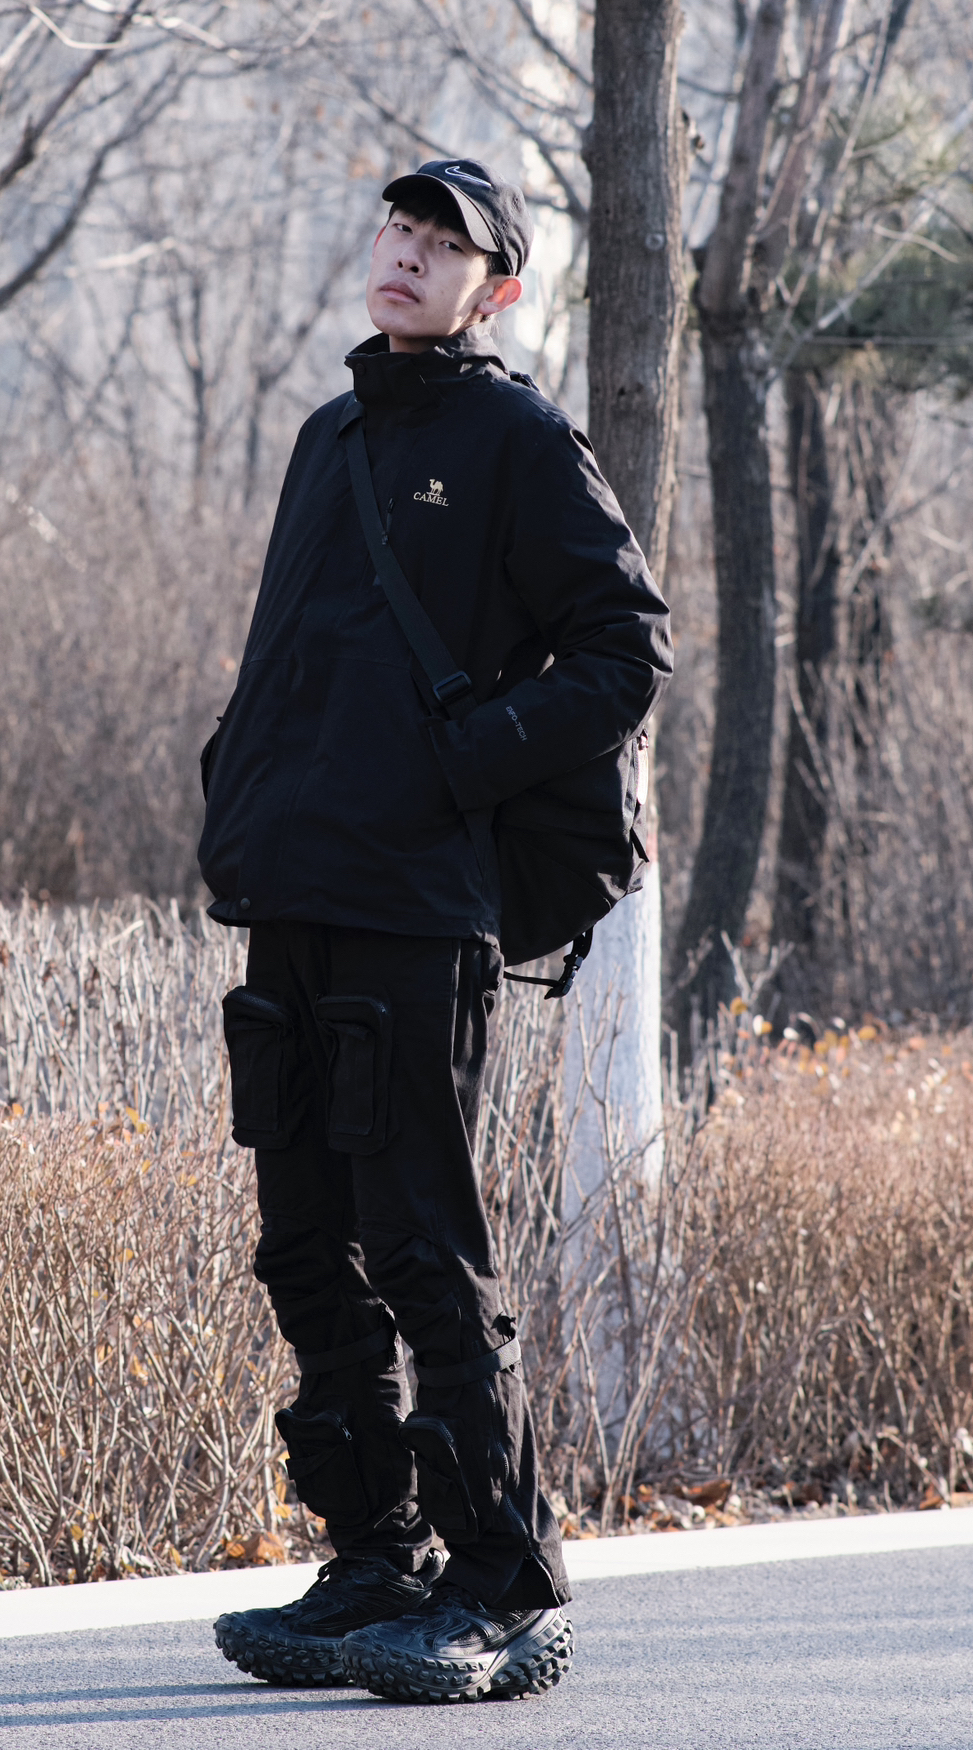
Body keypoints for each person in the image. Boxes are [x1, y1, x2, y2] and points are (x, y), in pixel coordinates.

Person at [200, 157, 672, 1704]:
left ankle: (503, 1582)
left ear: (498, 287)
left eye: (442, 243)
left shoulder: (521, 442)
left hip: (418, 905)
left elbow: (624, 650)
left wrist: (460, 767)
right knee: (302, 1241)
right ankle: (374, 1556)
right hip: (294, 889)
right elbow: (290, 659)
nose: (404, 255)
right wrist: (236, 793)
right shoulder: (329, 438)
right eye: (395, 231)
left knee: (418, 1242)